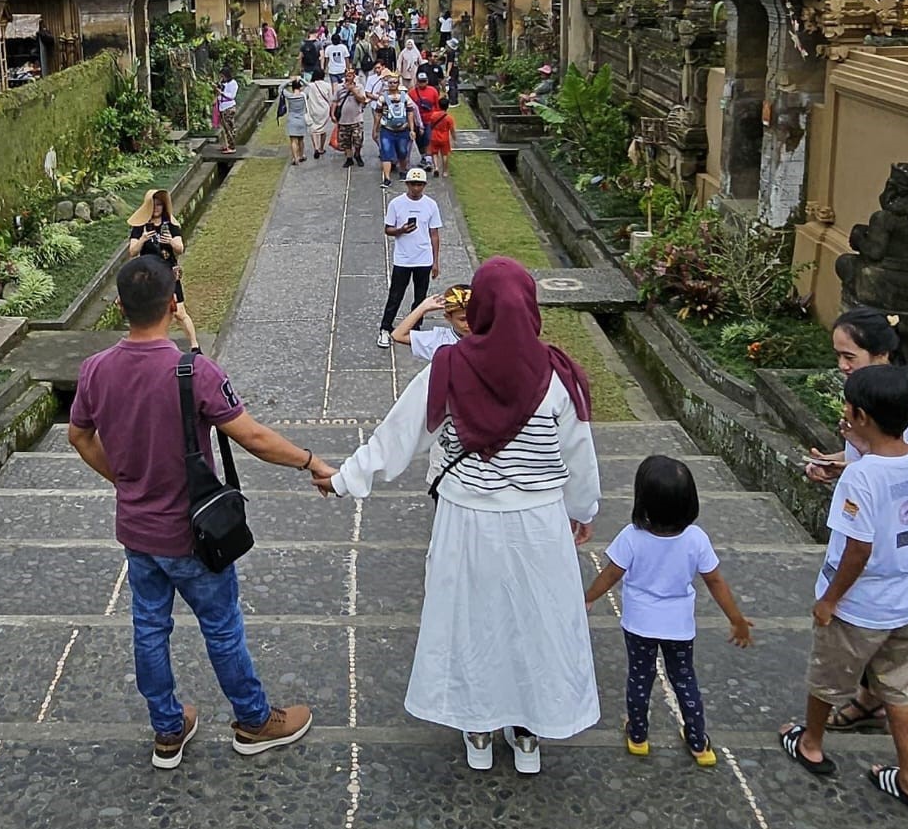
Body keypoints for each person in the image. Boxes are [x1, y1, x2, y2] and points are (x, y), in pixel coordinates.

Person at [313, 257, 601, 773]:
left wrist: (344, 478)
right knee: (535, 624)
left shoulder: (448, 367)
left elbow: (397, 436)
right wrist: (582, 510)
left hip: (467, 521)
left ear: (481, 306)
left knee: (471, 622)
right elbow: (578, 453)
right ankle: (530, 732)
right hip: (538, 524)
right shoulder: (559, 373)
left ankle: (477, 726)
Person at [69, 257, 334, 769]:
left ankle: (168, 730)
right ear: (173, 305)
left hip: (138, 532)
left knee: (148, 628)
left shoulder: (95, 369)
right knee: (221, 626)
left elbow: (78, 435)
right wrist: (311, 461)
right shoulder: (194, 371)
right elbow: (253, 437)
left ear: (119, 307)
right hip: (193, 532)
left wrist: (123, 479)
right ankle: (254, 721)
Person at [778, 363, 908, 818]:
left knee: (828, 679)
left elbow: (859, 549)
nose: (844, 414)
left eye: (848, 408)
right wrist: (857, 447)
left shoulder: (860, 477)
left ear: (862, 416)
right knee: (899, 690)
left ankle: (810, 743)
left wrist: (829, 600)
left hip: (860, 607)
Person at [804, 308, 908, 734]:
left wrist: (829, 600)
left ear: (882, 353)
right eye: (838, 356)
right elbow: (881, 457)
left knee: (892, 643)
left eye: (849, 356)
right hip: (887, 539)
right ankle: (871, 704)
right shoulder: (873, 399)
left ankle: (860, 722)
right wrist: (838, 464)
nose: (842, 367)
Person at [583, 455, 754, 766]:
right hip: (679, 626)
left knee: (639, 677)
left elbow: (611, 574)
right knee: (684, 678)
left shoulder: (632, 537)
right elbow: (715, 581)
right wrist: (736, 619)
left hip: (639, 624)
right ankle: (699, 742)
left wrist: (587, 598)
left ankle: (638, 736)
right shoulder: (696, 539)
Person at [127, 189, 201, 354]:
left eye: (160, 204)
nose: (157, 208)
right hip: (150, 276)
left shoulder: (171, 224)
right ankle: (157, 346)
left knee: (180, 313)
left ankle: (195, 346)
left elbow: (180, 248)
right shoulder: (140, 227)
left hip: (169, 274)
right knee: (154, 314)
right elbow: (132, 251)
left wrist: (171, 242)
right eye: (154, 204)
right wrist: (143, 239)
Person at [376, 168, 440, 347]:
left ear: (424, 186)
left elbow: (434, 233)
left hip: (423, 258)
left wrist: (435, 261)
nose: (416, 188)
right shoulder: (396, 204)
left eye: (420, 184)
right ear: (407, 184)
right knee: (395, 295)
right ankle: (385, 328)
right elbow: (388, 229)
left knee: (420, 297)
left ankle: (415, 329)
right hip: (403, 258)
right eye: (413, 184)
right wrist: (401, 230)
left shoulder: (431, 205)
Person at [390, 283, 471, 359]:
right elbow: (398, 335)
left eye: (475, 317)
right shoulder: (440, 339)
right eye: (462, 319)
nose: (470, 324)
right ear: (448, 317)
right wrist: (423, 307)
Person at [373, 76, 420, 188]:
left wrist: (412, 129)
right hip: (387, 130)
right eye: (390, 83)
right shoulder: (382, 98)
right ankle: (387, 178)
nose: (392, 84)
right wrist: (375, 129)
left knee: (403, 152)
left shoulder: (405, 97)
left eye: (395, 82)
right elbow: (378, 114)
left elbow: (410, 113)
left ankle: (403, 171)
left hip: (403, 130)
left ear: (398, 84)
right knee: (386, 153)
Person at [335, 69, 369, 169]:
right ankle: (349, 158)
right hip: (343, 119)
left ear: (354, 76)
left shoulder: (359, 87)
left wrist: (353, 90)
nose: (347, 77)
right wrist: (333, 114)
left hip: (357, 118)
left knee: (358, 139)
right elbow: (335, 101)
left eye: (350, 75)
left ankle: (357, 155)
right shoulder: (339, 87)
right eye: (346, 75)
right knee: (346, 141)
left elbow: (363, 100)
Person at [301, 70, 336, 161]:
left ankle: (315, 148)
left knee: (314, 129)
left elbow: (304, 95)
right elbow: (331, 99)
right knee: (323, 129)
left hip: (313, 108)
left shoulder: (310, 86)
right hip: (324, 110)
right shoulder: (327, 85)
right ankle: (321, 148)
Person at [408, 72, 441, 170]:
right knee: (419, 140)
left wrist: (437, 118)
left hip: (430, 120)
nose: (422, 84)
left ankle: (428, 159)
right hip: (417, 121)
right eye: (420, 82)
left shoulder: (433, 91)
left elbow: (437, 106)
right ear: (417, 82)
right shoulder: (412, 93)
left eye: (424, 81)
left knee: (428, 138)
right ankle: (424, 156)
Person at [277, 76, 308, 166]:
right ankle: (301, 155)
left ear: (292, 87)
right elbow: (310, 87)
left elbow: (280, 88)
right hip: (302, 119)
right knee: (301, 140)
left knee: (293, 140)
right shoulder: (304, 95)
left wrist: (290, 80)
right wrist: (301, 79)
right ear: (300, 87)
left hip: (292, 120)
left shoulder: (290, 96)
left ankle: (295, 158)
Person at [213, 67, 238, 154]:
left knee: (229, 128)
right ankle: (226, 145)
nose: (222, 78)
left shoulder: (233, 83)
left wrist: (222, 92)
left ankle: (232, 147)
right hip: (222, 107)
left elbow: (232, 96)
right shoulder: (224, 83)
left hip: (229, 107)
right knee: (224, 128)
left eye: (223, 76)